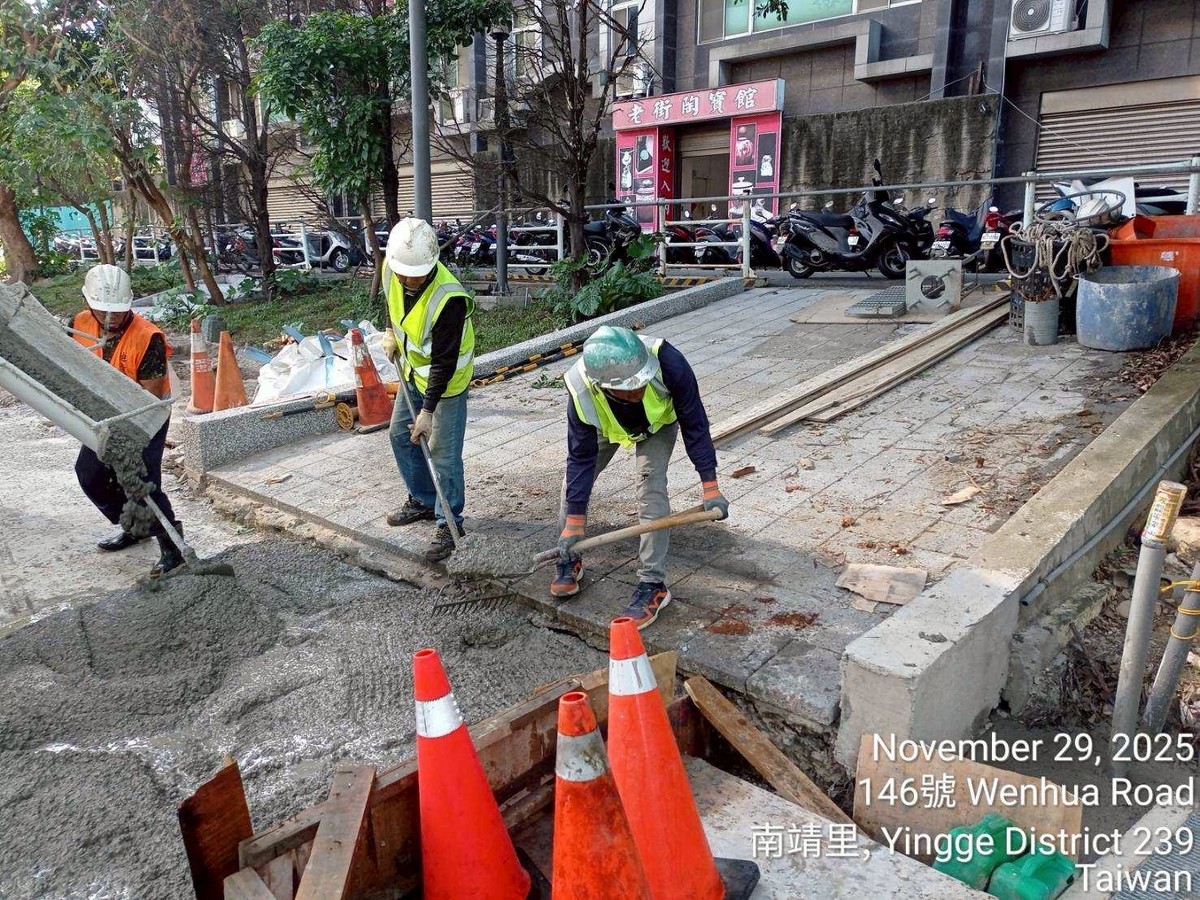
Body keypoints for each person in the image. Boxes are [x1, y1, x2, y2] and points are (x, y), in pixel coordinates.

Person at [551, 325, 729, 629]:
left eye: (642, 381)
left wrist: (710, 486)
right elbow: (580, 458)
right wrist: (575, 524)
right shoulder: (581, 389)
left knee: (650, 487)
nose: (641, 389)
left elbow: (695, 423)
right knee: (572, 486)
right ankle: (569, 554)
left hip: (658, 425)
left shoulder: (668, 361)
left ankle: (653, 585)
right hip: (604, 429)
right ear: (604, 386)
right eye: (630, 388)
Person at [71, 264, 184, 576]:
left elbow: (147, 399)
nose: (111, 318)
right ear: (88, 304)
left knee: (142, 482)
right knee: (89, 475)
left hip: (144, 416)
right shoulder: (78, 324)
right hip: (103, 415)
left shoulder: (148, 339)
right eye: (103, 311)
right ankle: (134, 526)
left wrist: (128, 448)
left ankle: (172, 547)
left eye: (118, 311)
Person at [380, 217, 475, 562]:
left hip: (446, 384)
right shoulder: (394, 270)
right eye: (403, 272)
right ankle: (421, 499)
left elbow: (444, 362)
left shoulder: (449, 299)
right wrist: (389, 331)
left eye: (415, 273)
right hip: (412, 372)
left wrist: (427, 412)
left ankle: (450, 523)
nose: (408, 279)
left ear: (432, 263)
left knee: (442, 454)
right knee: (398, 435)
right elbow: (391, 306)